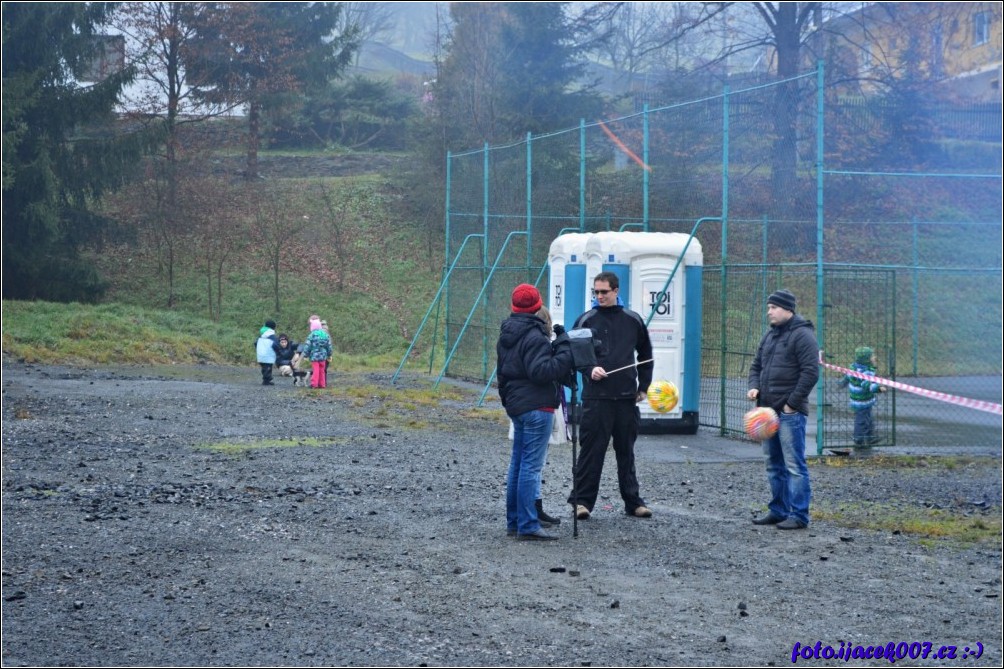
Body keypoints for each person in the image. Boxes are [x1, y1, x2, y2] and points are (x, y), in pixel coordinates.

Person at [566, 271, 654, 521]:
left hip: (626, 399)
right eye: (596, 292)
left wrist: (643, 387)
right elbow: (573, 355)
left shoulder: (633, 320)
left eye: (604, 292)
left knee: (626, 452)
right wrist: (589, 369)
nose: (599, 296)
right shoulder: (585, 320)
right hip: (596, 399)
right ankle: (580, 502)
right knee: (591, 452)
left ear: (616, 291)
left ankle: (633, 502)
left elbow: (646, 355)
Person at [497, 284, 574, 541]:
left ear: (513, 306)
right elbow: (542, 372)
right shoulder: (535, 335)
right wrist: (563, 349)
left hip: (517, 405)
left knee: (518, 464)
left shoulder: (507, 333)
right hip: (536, 406)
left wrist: (508, 401)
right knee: (531, 466)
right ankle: (528, 525)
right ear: (538, 305)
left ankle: (515, 521)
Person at [747, 289, 820, 530]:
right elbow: (756, 366)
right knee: (773, 464)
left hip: (790, 414)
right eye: (768, 307)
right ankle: (778, 510)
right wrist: (754, 387)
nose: (769, 312)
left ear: (788, 309)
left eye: (774, 308)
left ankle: (799, 515)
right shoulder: (769, 336)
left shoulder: (803, 335)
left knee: (794, 466)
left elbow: (811, 373)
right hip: (767, 413)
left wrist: (791, 404)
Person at [839, 346, 887, 446]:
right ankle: (858, 439)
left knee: (868, 420)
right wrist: (879, 388)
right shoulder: (864, 372)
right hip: (863, 401)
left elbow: (846, 378)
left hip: (858, 400)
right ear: (866, 359)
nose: (874, 357)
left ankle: (869, 437)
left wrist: (841, 384)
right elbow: (867, 384)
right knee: (861, 421)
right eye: (871, 356)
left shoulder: (854, 368)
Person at [302, 315, 333, 389]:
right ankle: (322, 384)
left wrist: (305, 355)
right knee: (322, 370)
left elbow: (307, 346)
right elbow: (329, 345)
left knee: (316, 370)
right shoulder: (325, 335)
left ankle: (314, 384)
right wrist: (329, 355)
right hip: (323, 356)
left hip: (315, 355)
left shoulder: (312, 335)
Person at [255, 320, 278, 386]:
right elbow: (275, 345)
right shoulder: (272, 336)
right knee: (268, 368)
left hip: (260, 354)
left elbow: (255, 343)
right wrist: (278, 351)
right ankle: (266, 380)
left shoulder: (261, 334)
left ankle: (266, 380)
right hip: (268, 355)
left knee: (264, 368)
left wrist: (258, 349)